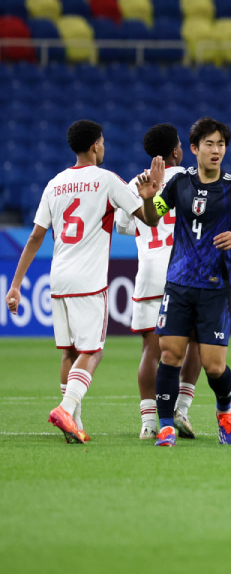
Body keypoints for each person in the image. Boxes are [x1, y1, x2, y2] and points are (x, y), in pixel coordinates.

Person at [5, 120, 164, 444]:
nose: (103, 147)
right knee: (92, 352)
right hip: (88, 281)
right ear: (95, 146)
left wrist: (15, 285)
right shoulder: (107, 180)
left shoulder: (55, 184)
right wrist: (150, 195)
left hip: (58, 278)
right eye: (102, 142)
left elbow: (36, 236)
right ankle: (66, 408)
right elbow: (148, 219)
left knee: (69, 353)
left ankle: (73, 424)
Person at [149, 118, 231, 447]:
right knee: (170, 354)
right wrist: (149, 198)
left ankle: (225, 410)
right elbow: (152, 216)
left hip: (214, 287)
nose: (216, 151)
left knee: (214, 367)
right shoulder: (178, 184)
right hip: (179, 282)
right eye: (209, 144)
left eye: (221, 145)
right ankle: (166, 426)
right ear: (194, 149)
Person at [114, 123, 202, 439]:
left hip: (149, 271)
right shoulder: (192, 179)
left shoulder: (137, 183)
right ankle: (180, 408)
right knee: (196, 341)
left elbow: (123, 227)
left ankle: (149, 423)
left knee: (151, 349)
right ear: (176, 150)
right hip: (184, 270)